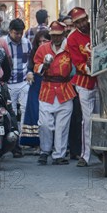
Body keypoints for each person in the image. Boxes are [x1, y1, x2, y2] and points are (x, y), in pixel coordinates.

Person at [34, 21, 76, 165]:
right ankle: (45, 151)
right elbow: (35, 65)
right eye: (53, 35)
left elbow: (77, 64)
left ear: (64, 34)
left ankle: (59, 154)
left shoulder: (70, 48)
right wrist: (43, 66)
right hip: (47, 89)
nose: (56, 38)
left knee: (62, 126)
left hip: (65, 89)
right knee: (44, 124)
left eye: (58, 35)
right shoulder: (43, 48)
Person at [66, 7, 99, 167]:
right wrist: (91, 69)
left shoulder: (98, 28)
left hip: (104, 80)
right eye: (78, 22)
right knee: (87, 120)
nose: (83, 24)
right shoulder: (72, 39)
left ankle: (102, 151)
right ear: (74, 24)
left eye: (84, 19)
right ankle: (85, 155)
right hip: (85, 83)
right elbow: (77, 62)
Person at [6, 18, 32, 158]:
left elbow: (31, 60)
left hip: (22, 82)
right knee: (12, 114)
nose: (19, 36)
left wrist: (29, 71)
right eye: (16, 33)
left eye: (21, 33)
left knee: (24, 111)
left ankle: (21, 141)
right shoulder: (4, 43)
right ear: (10, 31)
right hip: (9, 83)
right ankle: (13, 143)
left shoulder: (26, 42)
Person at [20, 30, 50, 148]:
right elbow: (30, 67)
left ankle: (49, 143)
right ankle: (36, 143)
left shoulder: (53, 52)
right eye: (39, 41)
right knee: (35, 112)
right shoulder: (34, 53)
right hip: (36, 85)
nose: (42, 44)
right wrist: (29, 73)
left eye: (45, 41)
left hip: (49, 86)